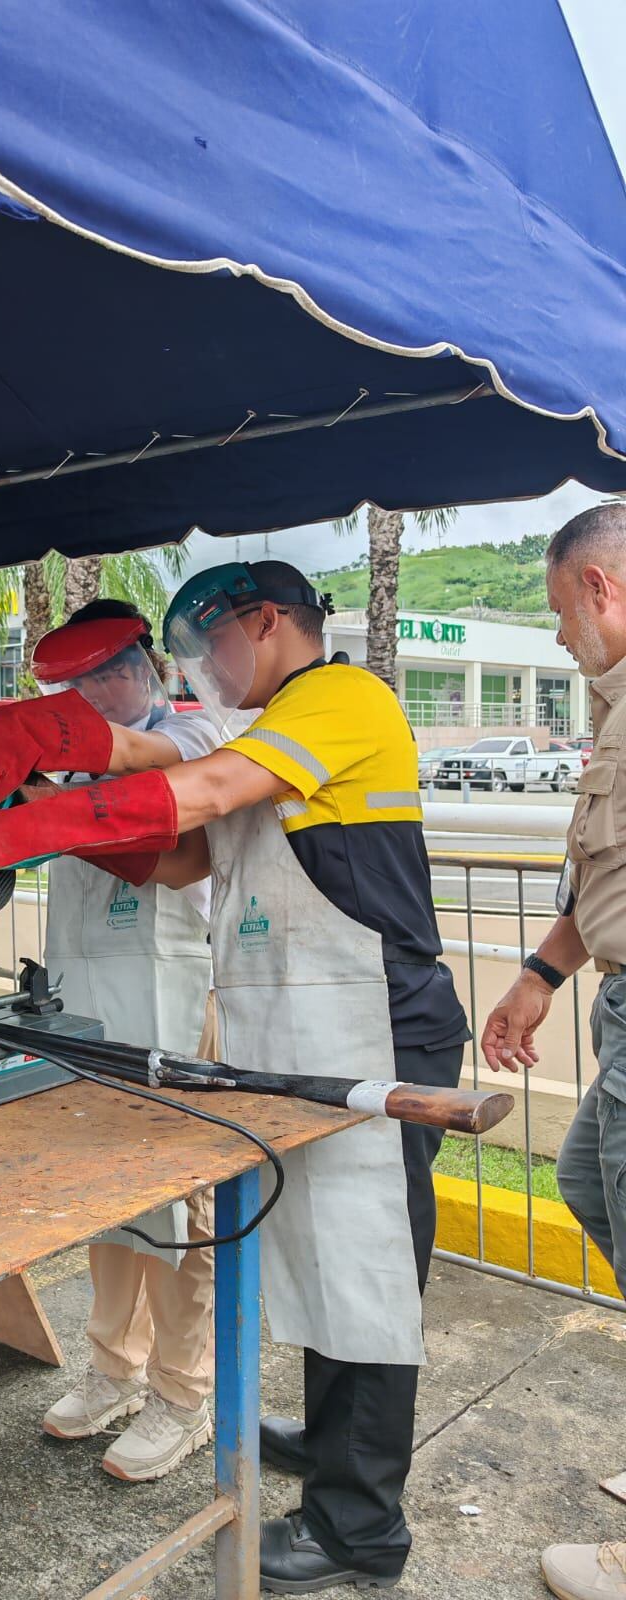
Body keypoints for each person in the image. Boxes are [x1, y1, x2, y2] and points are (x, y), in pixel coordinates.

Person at [0, 559, 469, 1593]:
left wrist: (33, 819)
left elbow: (205, 783)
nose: (201, 670)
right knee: (320, 1253)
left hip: (385, 1031)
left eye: (208, 645)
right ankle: (328, 1438)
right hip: (313, 1033)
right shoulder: (279, 730)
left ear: (266, 622)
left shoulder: (343, 699)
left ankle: (362, 1528)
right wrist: (51, 800)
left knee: (370, 1270)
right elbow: (180, 858)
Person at [0, 598, 227, 1481]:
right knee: (106, 1198)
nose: (98, 692)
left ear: (144, 670)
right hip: (85, 1004)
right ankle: (114, 1370)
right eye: (75, 683)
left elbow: (169, 851)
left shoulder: (196, 740)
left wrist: (50, 813)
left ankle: (186, 1397)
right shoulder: (55, 770)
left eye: (109, 673)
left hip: (175, 1001)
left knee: (184, 1209)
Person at [480, 504, 626, 1600]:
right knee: (585, 1179)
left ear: (598, 590)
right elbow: (602, 873)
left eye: (559, 617)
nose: (561, 642)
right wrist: (540, 974)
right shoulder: (613, 705)